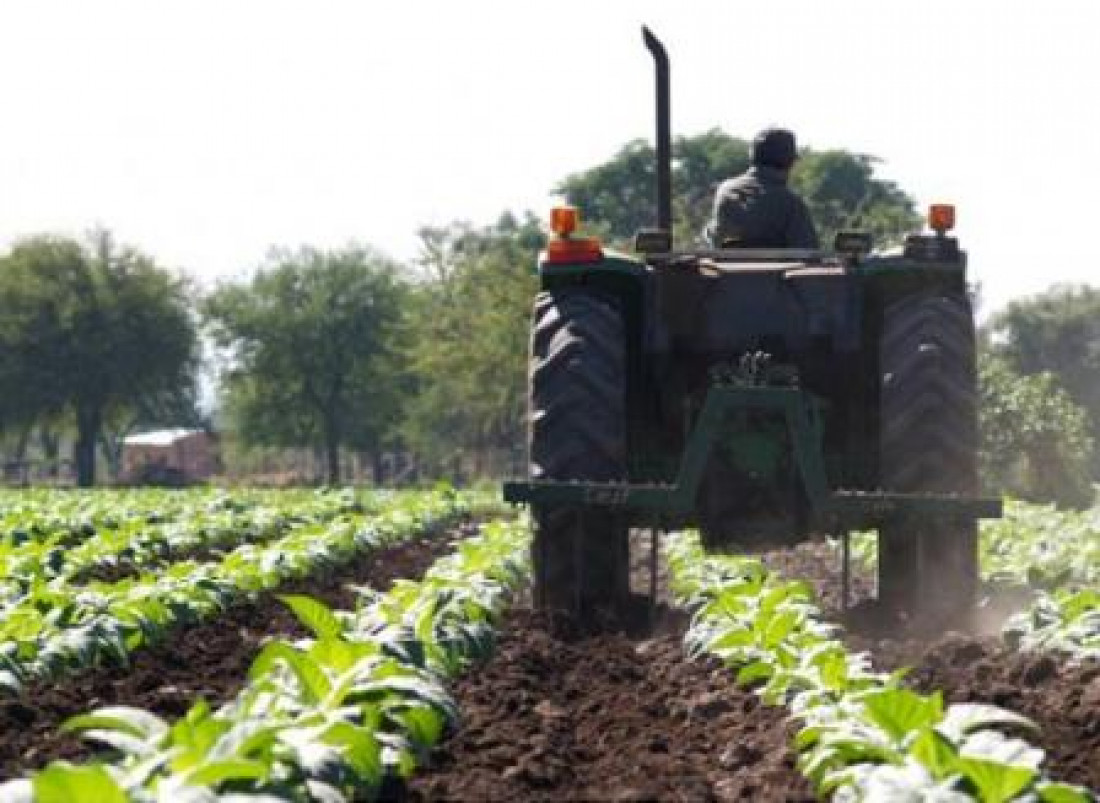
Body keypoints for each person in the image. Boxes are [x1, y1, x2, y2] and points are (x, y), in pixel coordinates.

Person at [706, 128, 819, 249]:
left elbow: (715, 236)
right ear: (789, 162)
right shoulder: (791, 203)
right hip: (774, 267)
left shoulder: (724, 189)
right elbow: (807, 251)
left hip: (725, 266)